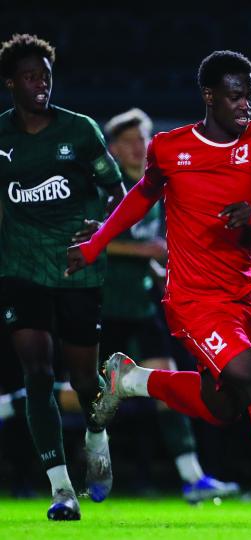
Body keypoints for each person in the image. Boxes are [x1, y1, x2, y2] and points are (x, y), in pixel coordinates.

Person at [66, 50, 251, 523]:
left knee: (224, 406)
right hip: (191, 300)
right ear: (209, 96)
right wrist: (97, 244)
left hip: (242, 297)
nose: (246, 104)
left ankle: (134, 380)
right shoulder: (170, 147)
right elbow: (141, 197)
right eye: (236, 95)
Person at [0, 33, 126, 520]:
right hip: (21, 266)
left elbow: (119, 195)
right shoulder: (2, 135)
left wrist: (102, 228)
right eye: (31, 77)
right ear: (10, 82)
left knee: (83, 380)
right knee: (36, 372)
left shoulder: (80, 130)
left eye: (46, 77)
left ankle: (97, 434)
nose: (41, 85)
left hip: (77, 267)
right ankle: (61, 490)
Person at [101, 107, 241, 502]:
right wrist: (144, 249)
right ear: (113, 148)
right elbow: (93, 243)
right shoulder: (105, 190)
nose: (137, 147)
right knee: (89, 393)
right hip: (105, 303)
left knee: (167, 383)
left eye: (142, 139)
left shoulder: (157, 189)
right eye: (128, 141)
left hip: (142, 305)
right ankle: (20, 404)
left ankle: (192, 477)